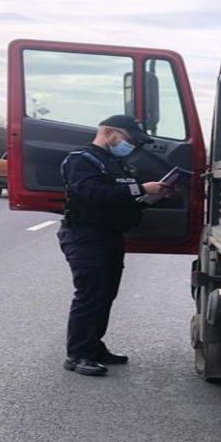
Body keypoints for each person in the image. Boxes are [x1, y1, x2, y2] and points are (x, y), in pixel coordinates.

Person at [57, 114, 163, 377]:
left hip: (108, 235)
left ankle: (93, 346)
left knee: (105, 295)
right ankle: (78, 355)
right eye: (129, 139)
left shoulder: (114, 163)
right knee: (90, 295)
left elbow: (120, 199)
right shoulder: (81, 160)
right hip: (84, 235)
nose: (132, 145)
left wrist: (152, 196)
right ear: (109, 133)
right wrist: (141, 188)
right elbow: (92, 193)